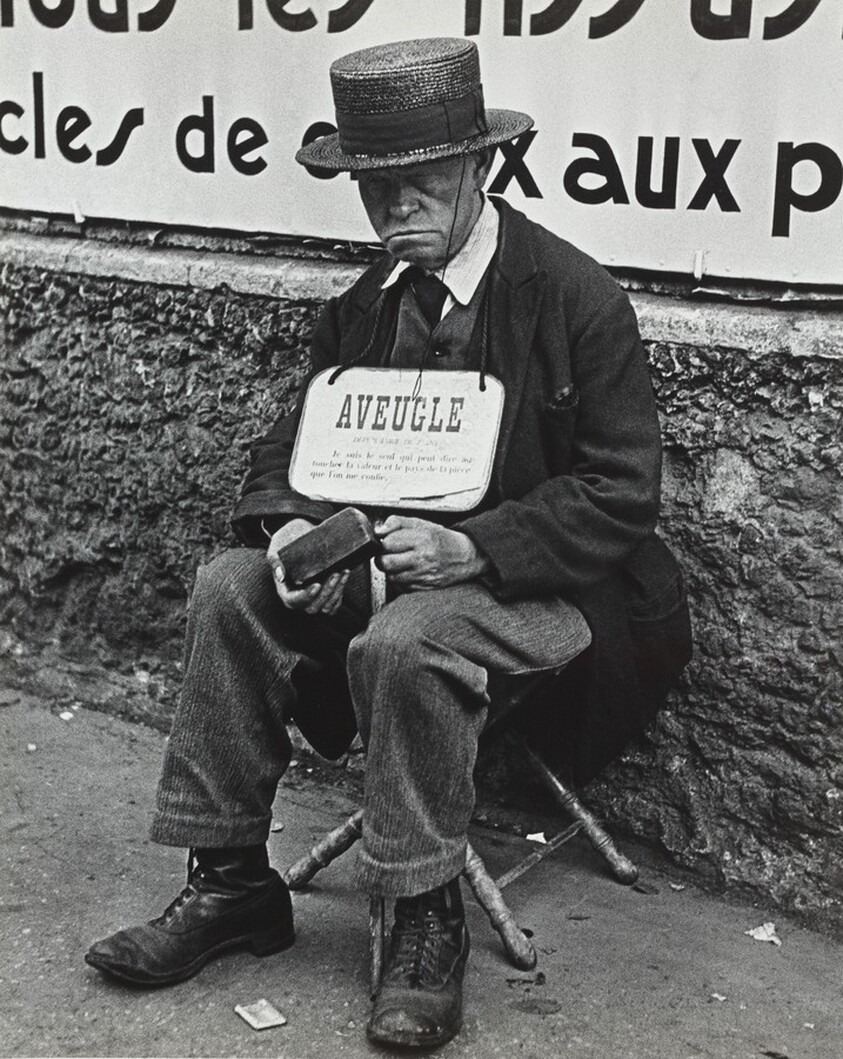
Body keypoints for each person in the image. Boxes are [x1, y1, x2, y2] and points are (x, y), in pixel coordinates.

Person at [85, 37, 691, 1050]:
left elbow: (623, 492)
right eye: (375, 189)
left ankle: (421, 911)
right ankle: (231, 881)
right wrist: (293, 533)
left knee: (411, 637)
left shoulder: (575, 298)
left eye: (421, 184)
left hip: (544, 593)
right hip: (381, 588)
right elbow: (291, 450)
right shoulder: (364, 308)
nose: (395, 209)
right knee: (230, 588)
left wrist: (480, 549)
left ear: (479, 169)